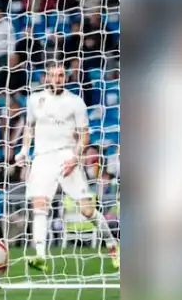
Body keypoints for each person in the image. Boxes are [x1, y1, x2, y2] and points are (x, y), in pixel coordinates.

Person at [16, 62, 120, 271]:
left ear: (66, 78)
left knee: (87, 211)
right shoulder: (35, 100)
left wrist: (75, 157)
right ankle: (40, 257)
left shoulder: (75, 102)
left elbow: (84, 136)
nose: (58, 79)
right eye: (54, 75)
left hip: (67, 157)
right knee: (40, 205)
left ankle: (112, 244)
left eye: (62, 75)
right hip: (42, 158)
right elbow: (29, 127)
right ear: (46, 77)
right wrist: (24, 150)